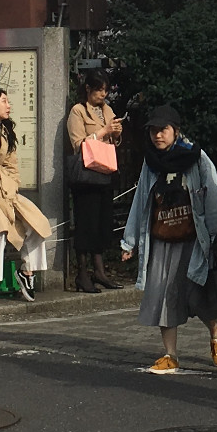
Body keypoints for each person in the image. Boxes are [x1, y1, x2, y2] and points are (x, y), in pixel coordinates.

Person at [121, 106, 217, 374]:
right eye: (154, 130)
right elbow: (141, 199)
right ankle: (170, 355)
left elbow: (212, 197)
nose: (158, 135)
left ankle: (215, 333)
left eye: (163, 130)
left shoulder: (197, 158)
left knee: (197, 294)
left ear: (176, 131)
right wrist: (129, 241)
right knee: (162, 294)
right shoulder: (150, 162)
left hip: (194, 240)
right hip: (161, 237)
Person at [0, 87, 49, 302]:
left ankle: (27, 273)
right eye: (4, 101)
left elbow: (11, 163)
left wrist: (12, 185)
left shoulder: (6, 131)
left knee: (37, 224)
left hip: (7, 190)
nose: (9, 106)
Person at [65, 70, 122, 293]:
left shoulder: (107, 110)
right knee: (85, 224)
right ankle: (82, 272)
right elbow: (78, 143)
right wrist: (103, 131)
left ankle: (99, 270)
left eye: (105, 90)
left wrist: (116, 132)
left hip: (105, 172)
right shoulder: (78, 111)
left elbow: (115, 140)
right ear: (88, 89)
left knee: (102, 223)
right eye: (99, 90)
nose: (103, 95)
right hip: (86, 176)